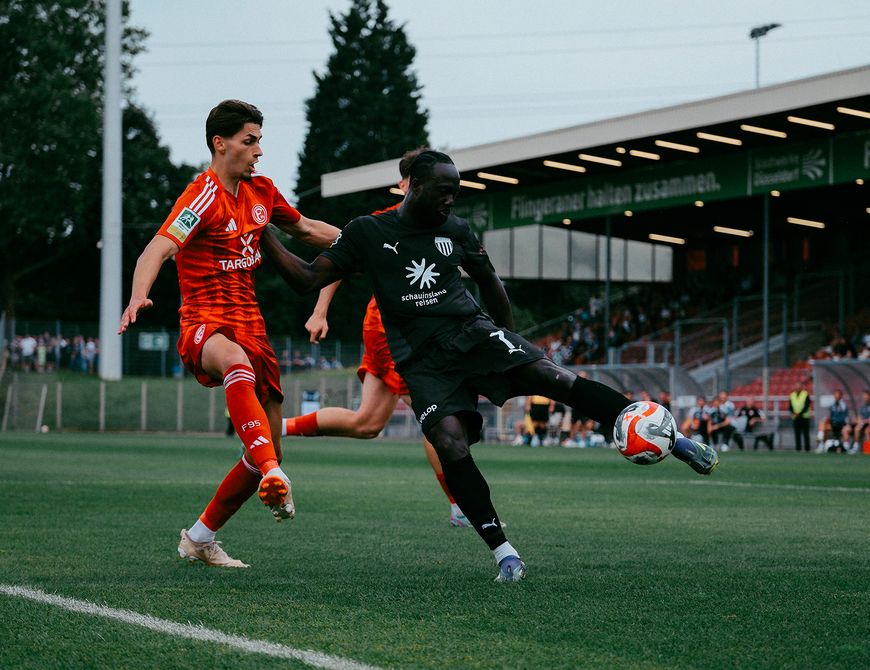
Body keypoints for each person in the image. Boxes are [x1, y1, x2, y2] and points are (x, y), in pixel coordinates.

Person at [260, 150, 718, 582]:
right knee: (449, 442)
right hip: (423, 362)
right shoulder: (368, 232)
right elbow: (306, 277)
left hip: (475, 335)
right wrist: (263, 234)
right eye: (442, 190)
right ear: (412, 187)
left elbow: (488, 281)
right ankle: (504, 552)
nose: (450, 198)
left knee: (552, 377)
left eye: (455, 191)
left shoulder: (456, 230)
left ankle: (674, 439)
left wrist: (511, 339)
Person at [118, 99, 340, 568]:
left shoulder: (262, 192)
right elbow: (155, 250)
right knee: (235, 367)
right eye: (249, 140)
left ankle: (200, 536)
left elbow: (306, 228)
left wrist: (361, 242)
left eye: (259, 140)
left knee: (264, 448)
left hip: (253, 327)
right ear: (220, 143)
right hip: (204, 323)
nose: (259, 150)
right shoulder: (200, 197)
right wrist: (139, 295)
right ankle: (273, 471)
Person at [276, 148, 471, 528]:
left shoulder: (434, 224)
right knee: (436, 412)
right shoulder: (380, 226)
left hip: (398, 326)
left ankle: (273, 429)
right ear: (406, 184)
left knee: (367, 423)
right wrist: (319, 311)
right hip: (390, 327)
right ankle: (461, 504)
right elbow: (336, 262)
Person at [789, 380, 812, 452]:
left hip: (804, 417)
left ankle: (807, 449)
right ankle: (798, 449)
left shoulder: (805, 394)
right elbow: (790, 406)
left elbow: (807, 405)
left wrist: (799, 413)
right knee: (797, 434)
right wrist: (793, 413)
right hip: (795, 418)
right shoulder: (792, 395)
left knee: (806, 434)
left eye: (799, 386)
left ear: (802, 387)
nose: (797, 387)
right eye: (796, 386)